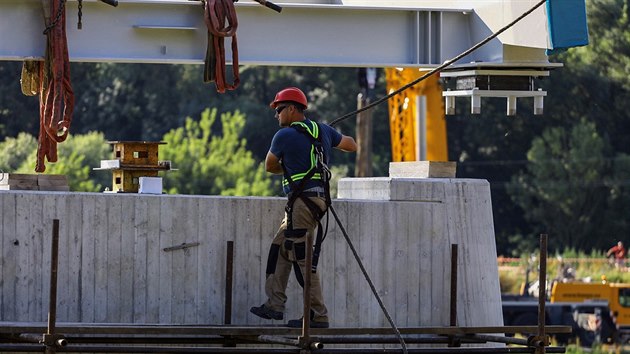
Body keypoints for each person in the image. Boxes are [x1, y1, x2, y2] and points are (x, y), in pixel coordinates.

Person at [250, 87, 357, 328]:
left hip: (302, 202)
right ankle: (275, 304)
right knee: (280, 247)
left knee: (301, 257)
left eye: (279, 110)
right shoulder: (322, 130)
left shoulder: (284, 136)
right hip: (316, 201)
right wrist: (326, 137)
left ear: (291, 109)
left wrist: (287, 164)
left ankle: (318, 314)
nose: (276, 115)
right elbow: (352, 145)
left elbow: (269, 166)